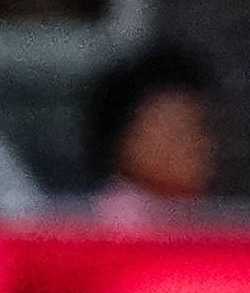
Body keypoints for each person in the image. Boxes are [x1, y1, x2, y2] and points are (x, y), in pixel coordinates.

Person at [82, 36, 218, 219]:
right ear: (124, 140)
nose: (199, 143)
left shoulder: (184, 217)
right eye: (178, 130)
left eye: (201, 128)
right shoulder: (121, 226)